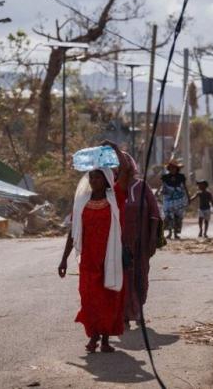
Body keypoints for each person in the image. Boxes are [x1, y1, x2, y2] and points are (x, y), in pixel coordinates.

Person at [58, 141, 131, 353]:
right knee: (89, 299)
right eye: (91, 177)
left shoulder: (115, 198)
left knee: (109, 298)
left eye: (98, 176)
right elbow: (73, 232)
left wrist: (115, 148)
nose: (93, 180)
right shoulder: (81, 202)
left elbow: (126, 170)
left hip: (110, 258)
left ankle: (106, 339)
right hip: (89, 261)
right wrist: (64, 259)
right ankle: (93, 337)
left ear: (106, 179)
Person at [120, 154, 161, 329]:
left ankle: (138, 309)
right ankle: (127, 314)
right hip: (121, 243)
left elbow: (154, 215)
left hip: (142, 241)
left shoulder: (142, 187)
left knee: (140, 276)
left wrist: (152, 239)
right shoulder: (112, 189)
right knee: (124, 278)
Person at [160, 160, 189, 239]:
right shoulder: (165, 177)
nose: (173, 169)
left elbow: (185, 187)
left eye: (174, 168)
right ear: (169, 169)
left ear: (177, 169)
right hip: (168, 199)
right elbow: (162, 187)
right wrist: (160, 193)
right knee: (168, 216)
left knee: (178, 217)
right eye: (171, 168)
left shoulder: (181, 177)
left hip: (179, 199)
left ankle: (176, 233)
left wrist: (188, 197)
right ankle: (169, 233)